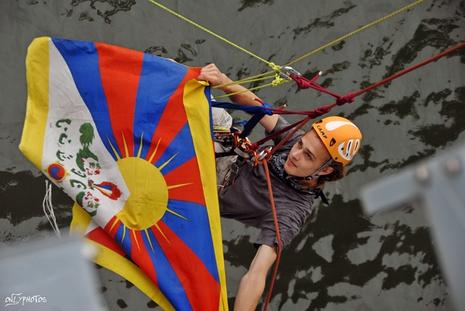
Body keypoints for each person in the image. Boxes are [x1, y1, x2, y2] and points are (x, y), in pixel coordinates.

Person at [198, 64, 362, 310]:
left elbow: (257, 273)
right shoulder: (293, 141)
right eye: (300, 146)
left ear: (325, 170)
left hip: (210, 185)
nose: (295, 155)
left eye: (308, 156)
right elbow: (258, 107)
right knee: (195, 91)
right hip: (227, 151)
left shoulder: (292, 211)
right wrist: (221, 79)